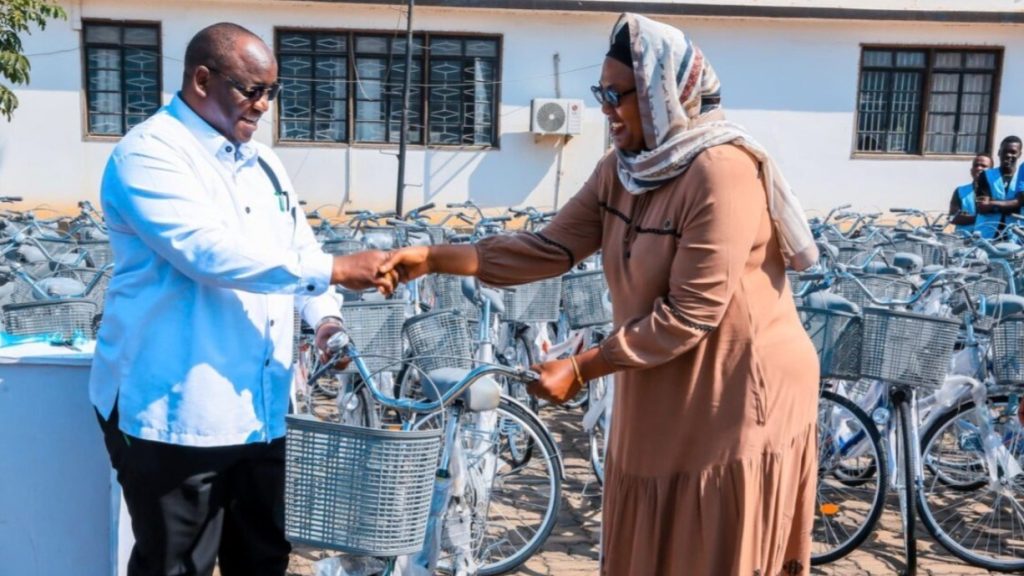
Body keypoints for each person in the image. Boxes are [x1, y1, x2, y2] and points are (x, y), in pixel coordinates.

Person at [381, 13, 819, 576]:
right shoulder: (624, 169)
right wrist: (432, 258)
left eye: (617, 96)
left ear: (664, 96)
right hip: (654, 373)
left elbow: (692, 313)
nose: (605, 110)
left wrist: (582, 368)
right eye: (600, 94)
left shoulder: (721, 170)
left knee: (709, 540)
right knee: (647, 519)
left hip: (732, 390)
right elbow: (548, 248)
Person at [89, 23, 393, 576]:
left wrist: (325, 318)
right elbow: (207, 254)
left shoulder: (264, 163)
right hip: (176, 409)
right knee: (176, 565)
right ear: (202, 80)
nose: (264, 106)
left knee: (263, 559)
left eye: (272, 92)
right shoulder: (150, 153)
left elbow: (299, 249)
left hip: (261, 409)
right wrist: (337, 269)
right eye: (252, 90)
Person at [972, 135, 1023, 238]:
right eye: (1005, 151)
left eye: (1013, 152)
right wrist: (1013, 205)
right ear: (999, 152)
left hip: (1014, 234)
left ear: (1019, 154)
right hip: (986, 233)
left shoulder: (1022, 176)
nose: (1008, 155)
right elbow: (982, 207)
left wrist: (992, 203)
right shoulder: (986, 175)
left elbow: (1021, 203)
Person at [948, 153, 994, 235]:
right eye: (976, 165)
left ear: (992, 171)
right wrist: (980, 219)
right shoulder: (960, 191)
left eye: (983, 166)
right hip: (963, 238)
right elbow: (952, 218)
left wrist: (966, 218)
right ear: (971, 170)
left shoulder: (998, 192)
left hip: (989, 239)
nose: (979, 168)